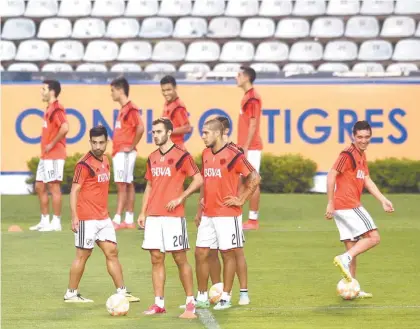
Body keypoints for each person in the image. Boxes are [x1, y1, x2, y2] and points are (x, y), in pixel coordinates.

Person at [64, 126, 139, 303]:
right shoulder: (83, 164)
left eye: (101, 142)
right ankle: (71, 293)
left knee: (112, 252)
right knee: (83, 255)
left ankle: (122, 292)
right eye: (94, 142)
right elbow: (74, 191)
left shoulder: (106, 160)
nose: (98, 146)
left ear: (107, 142)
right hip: (86, 219)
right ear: (90, 142)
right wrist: (75, 216)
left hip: (103, 218)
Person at [137, 118, 203, 317]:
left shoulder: (182, 156)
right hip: (154, 217)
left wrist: (181, 197)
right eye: (153, 132)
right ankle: (159, 303)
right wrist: (143, 212)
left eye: (158, 131)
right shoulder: (152, 157)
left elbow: (199, 179)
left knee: (180, 258)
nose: (155, 135)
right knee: (156, 258)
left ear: (169, 132)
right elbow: (149, 185)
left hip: (174, 217)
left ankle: (190, 301)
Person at [195, 119, 260, 310]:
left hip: (227, 214)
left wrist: (242, 199)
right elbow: (205, 181)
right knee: (201, 253)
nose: (203, 136)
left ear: (217, 133)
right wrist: (200, 209)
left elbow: (255, 177)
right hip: (208, 213)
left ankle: (226, 296)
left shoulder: (234, 155)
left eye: (206, 132)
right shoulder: (206, 153)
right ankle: (201, 296)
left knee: (228, 254)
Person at [325, 120, 394, 298]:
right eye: (360, 137)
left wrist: (383, 199)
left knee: (352, 248)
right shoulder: (348, 154)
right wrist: (330, 202)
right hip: (348, 204)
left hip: (344, 207)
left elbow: (367, 180)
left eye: (367, 137)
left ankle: (352, 288)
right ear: (353, 137)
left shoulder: (361, 156)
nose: (363, 140)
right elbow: (332, 174)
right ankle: (343, 258)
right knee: (374, 237)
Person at [207, 116, 250, 306]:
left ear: (223, 131)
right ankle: (218, 289)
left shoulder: (235, 152)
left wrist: (240, 199)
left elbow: (247, 178)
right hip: (214, 211)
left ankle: (243, 292)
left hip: (231, 211)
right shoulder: (211, 152)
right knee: (211, 251)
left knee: (236, 251)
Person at [30, 80, 69, 232]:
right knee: (39, 186)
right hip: (46, 156)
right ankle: (45, 220)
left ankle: (56, 222)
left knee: (54, 187)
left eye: (43, 88)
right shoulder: (49, 109)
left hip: (54, 154)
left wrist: (52, 144)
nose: (41, 91)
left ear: (52, 91)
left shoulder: (57, 109)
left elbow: (65, 127)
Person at [110, 77, 144, 230]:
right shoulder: (124, 109)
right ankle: (129, 219)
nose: (111, 94)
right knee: (128, 183)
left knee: (122, 184)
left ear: (120, 90)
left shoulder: (131, 109)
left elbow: (140, 127)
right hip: (121, 151)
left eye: (112, 90)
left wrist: (131, 146)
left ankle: (117, 218)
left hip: (124, 152)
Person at [236, 66, 263, 230]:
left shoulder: (252, 98)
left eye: (239, 75)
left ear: (247, 77)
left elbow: (253, 123)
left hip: (251, 147)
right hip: (247, 146)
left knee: (252, 181)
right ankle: (239, 217)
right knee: (243, 181)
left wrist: (245, 146)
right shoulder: (248, 96)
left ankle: (253, 220)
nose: (236, 78)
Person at [160, 75, 192, 150]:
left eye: (168, 90)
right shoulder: (168, 104)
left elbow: (187, 128)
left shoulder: (178, 107)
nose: (166, 93)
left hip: (176, 148)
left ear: (175, 88)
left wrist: (166, 131)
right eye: (163, 90)